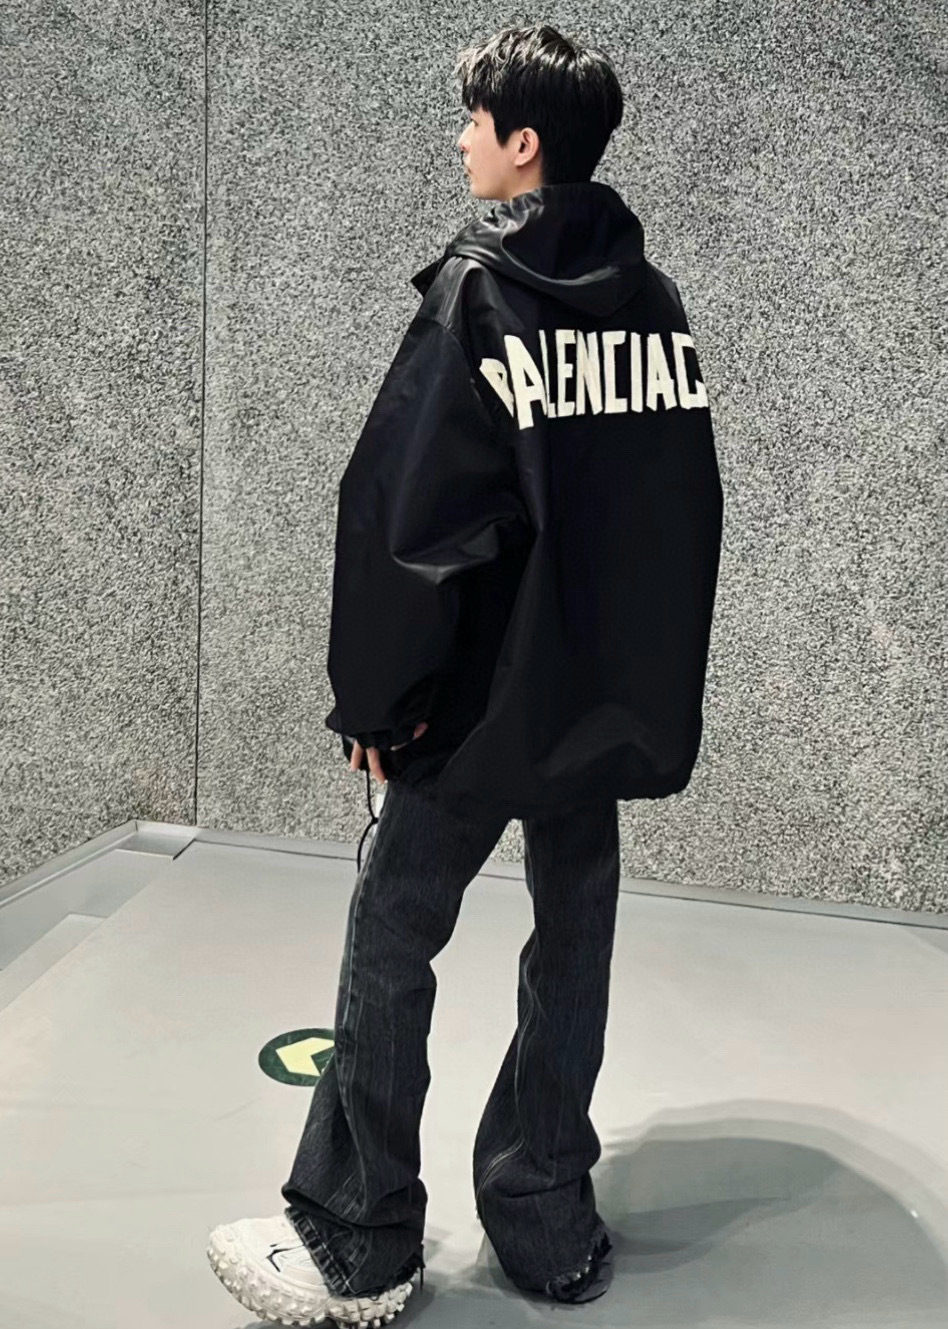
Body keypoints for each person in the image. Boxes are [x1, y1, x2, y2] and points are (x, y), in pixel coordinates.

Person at [207, 21, 724, 1328]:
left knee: (393, 932)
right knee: (576, 939)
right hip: (595, 702)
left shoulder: (477, 298)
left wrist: (378, 703)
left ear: (524, 143)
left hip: (481, 703)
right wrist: (639, 691)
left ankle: (360, 1237)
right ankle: (546, 1215)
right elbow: (679, 516)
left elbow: (407, 523)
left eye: (475, 124)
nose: (460, 143)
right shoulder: (653, 306)